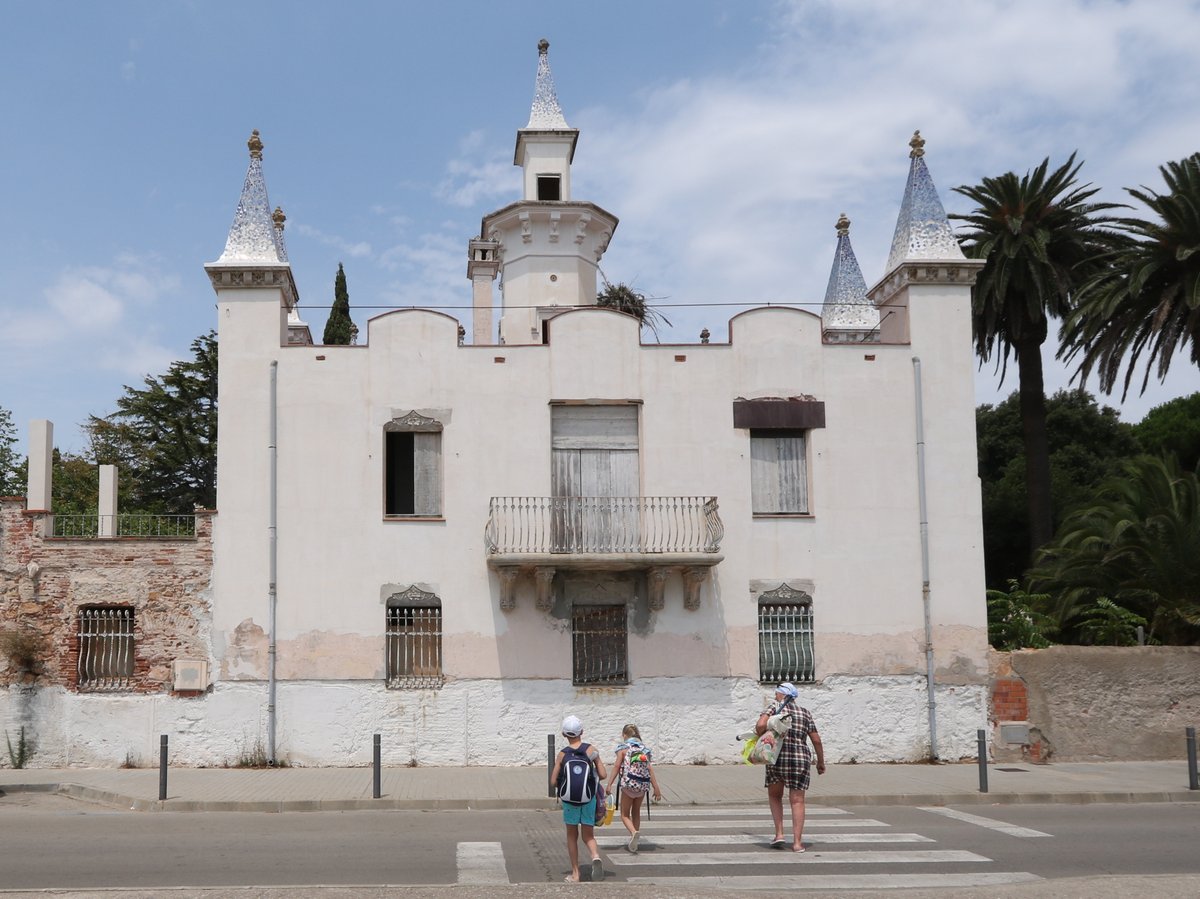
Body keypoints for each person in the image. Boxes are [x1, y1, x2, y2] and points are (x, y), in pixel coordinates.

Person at [756, 681, 825, 852]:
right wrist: (821, 762)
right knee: (798, 800)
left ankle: (779, 834)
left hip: (777, 757)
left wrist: (761, 732)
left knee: (775, 796)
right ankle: (797, 843)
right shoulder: (805, 713)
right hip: (800, 760)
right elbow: (816, 740)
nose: (775, 696)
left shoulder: (774, 708)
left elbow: (759, 726)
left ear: (782, 694)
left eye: (776, 693)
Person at [549, 714, 608, 882]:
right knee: (588, 835)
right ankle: (595, 855)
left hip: (569, 801)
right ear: (582, 731)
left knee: (571, 836)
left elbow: (553, 781)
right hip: (588, 798)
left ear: (563, 735)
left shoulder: (562, 754)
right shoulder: (591, 750)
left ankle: (576, 873)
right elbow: (603, 774)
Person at [605, 724, 663, 853]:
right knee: (636, 812)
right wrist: (656, 788)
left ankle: (633, 832)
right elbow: (649, 769)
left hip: (628, 786)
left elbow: (616, 767)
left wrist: (609, 784)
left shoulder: (623, 749)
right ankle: (634, 841)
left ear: (625, 735)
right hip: (642, 786)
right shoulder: (644, 750)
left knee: (624, 814)